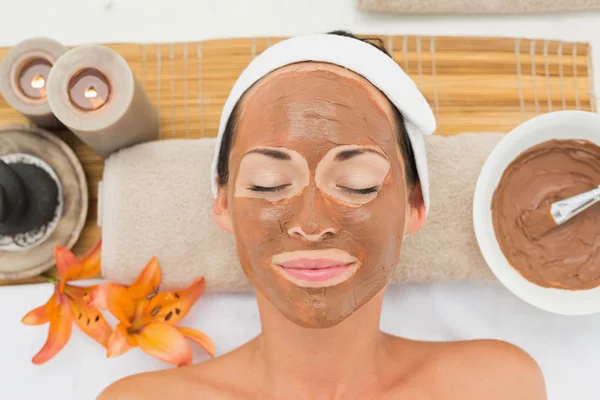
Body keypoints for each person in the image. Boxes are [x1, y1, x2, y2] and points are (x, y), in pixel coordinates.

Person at [98, 31, 546, 399]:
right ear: (223, 204)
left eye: (357, 184)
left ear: (415, 205)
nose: (311, 224)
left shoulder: (496, 386)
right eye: (269, 184)